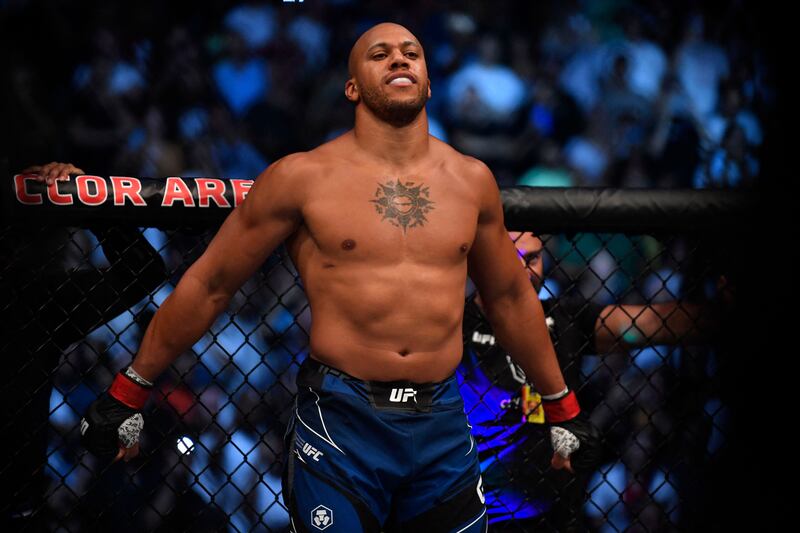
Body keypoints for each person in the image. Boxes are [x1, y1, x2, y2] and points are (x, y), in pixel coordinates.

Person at [80, 23, 602, 532]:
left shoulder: (471, 180)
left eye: (410, 52)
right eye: (380, 54)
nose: (399, 58)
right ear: (352, 86)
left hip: (442, 419)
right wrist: (131, 388)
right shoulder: (301, 177)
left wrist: (563, 406)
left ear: (427, 78)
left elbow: (509, 296)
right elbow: (210, 283)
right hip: (342, 419)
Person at [462, 231, 726, 531]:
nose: (525, 270)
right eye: (512, 258)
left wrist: (726, 312)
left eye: (533, 258)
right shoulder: (454, 322)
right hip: (473, 506)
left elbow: (651, 323)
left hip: (551, 511)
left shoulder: (563, 318)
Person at [2, 162, 166, 527]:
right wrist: (89, 198)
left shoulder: (30, 301)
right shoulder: (32, 302)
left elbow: (145, 270)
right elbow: (144, 270)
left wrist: (87, 196)